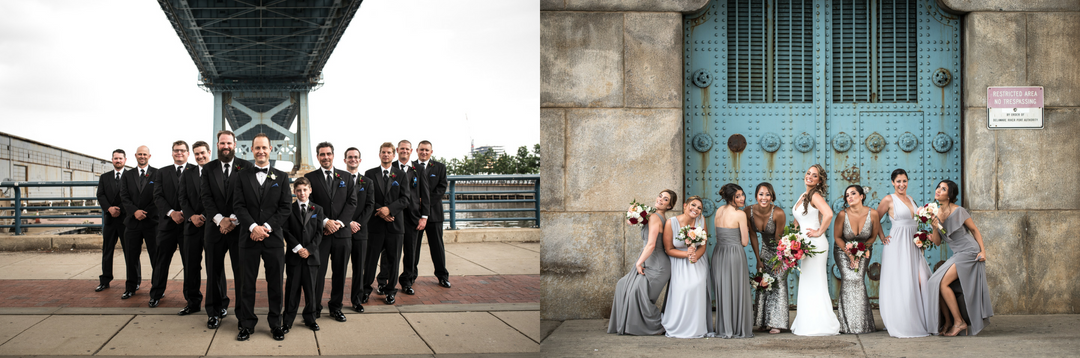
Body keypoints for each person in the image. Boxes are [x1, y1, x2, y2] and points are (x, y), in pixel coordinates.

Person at [232, 133, 291, 341]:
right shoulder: (241, 176)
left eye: (264, 148)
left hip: (273, 239)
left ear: (270, 150)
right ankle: (247, 324)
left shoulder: (282, 177)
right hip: (248, 239)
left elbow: (285, 209)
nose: (261, 151)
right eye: (257, 148)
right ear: (252, 151)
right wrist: (252, 227)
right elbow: (238, 206)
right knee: (246, 284)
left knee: (275, 283)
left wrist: (265, 227)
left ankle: (276, 323)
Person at [923, 180, 993, 336]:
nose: (938, 190)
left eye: (943, 189)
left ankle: (959, 322)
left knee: (943, 284)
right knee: (934, 282)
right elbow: (937, 241)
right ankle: (948, 321)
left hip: (969, 251)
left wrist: (983, 251)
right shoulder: (934, 214)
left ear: (950, 195)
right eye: (938, 187)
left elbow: (975, 231)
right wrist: (934, 227)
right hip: (957, 254)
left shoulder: (959, 211)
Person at [607, 189, 676, 335]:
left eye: (665, 199)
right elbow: (630, 222)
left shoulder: (655, 218)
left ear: (669, 206)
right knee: (623, 285)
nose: (660, 200)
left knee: (641, 296)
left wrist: (638, 263)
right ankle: (629, 324)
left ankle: (664, 325)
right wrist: (634, 216)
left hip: (657, 266)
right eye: (660, 196)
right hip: (650, 262)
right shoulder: (654, 216)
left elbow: (651, 245)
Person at [304, 142, 357, 323]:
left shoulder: (346, 177)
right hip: (321, 235)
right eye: (321, 154)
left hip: (342, 234)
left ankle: (336, 307)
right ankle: (315, 307)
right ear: (317, 157)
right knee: (318, 273)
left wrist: (340, 223)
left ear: (333, 155)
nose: (325, 157)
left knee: (340, 272)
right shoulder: (309, 177)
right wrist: (325, 222)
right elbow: (309, 204)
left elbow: (352, 203)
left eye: (328, 154)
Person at [874, 169, 930, 338]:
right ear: (893, 182)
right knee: (901, 282)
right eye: (898, 181)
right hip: (897, 245)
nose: (901, 184)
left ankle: (923, 319)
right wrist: (882, 237)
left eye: (904, 181)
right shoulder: (888, 199)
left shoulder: (911, 199)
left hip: (913, 244)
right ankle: (900, 320)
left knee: (922, 280)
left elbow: (916, 222)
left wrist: (921, 239)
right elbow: (874, 218)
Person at [200, 130, 247, 329]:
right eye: (222, 143)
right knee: (213, 273)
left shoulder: (246, 166)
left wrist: (233, 220)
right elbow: (206, 197)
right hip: (215, 229)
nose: (225, 146)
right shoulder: (208, 168)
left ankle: (243, 314)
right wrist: (220, 221)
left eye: (229, 143)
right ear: (217, 144)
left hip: (239, 230)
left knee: (242, 273)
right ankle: (214, 311)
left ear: (235, 144)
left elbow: (248, 197)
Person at [789, 164, 840, 336]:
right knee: (808, 282)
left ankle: (819, 323)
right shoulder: (804, 194)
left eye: (815, 175)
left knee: (814, 281)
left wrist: (819, 231)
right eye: (808, 173)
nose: (810, 176)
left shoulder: (815, 195)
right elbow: (800, 220)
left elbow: (829, 214)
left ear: (819, 180)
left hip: (814, 243)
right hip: (804, 244)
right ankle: (808, 320)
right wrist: (793, 237)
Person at [363, 142, 411, 305]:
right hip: (375, 225)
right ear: (379, 154)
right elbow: (367, 199)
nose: (386, 155)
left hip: (395, 226)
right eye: (383, 152)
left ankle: (391, 291)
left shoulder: (402, 175)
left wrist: (389, 210)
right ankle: (365, 290)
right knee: (370, 260)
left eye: (389, 152)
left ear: (394, 154)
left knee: (393, 260)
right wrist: (381, 212)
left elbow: (405, 199)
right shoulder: (370, 174)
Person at [149, 140, 195, 308]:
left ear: (188, 153)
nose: (179, 153)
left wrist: (187, 214)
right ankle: (156, 293)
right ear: (172, 153)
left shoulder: (196, 171)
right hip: (167, 225)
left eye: (182, 150)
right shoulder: (161, 173)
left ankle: (190, 297)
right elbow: (158, 196)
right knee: (161, 262)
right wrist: (171, 213)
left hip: (188, 226)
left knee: (189, 263)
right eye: (176, 150)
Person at [833, 185, 882, 334]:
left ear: (862, 196)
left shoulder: (873, 214)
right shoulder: (842, 214)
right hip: (843, 251)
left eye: (853, 193)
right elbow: (837, 237)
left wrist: (861, 251)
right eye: (847, 195)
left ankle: (863, 324)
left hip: (864, 251)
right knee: (848, 279)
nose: (850, 197)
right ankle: (845, 325)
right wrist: (850, 255)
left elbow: (873, 236)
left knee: (858, 280)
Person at [660, 196, 709, 338]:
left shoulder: (701, 221)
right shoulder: (671, 223)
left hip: (697, 259)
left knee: (697, 283)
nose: (696, 209)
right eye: (693, 205)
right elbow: (668, 249)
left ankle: (696, 327)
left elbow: (703, 246)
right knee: (684, 288)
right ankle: (678, 324)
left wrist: (695, 256)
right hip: (678, 260)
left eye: (699, 208)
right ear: (685, 206)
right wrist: (686, 255)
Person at [708, 184, 753, 338]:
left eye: (742, 195)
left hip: (719, 252)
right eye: (738, 196)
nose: (742, 199)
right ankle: (736, 328)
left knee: (723, 291)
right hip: (734, 253)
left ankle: (724, 327)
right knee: (736, 290)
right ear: (730, 197)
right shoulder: (740, 215)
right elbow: (745, 242)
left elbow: (717, 234)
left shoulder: (719, 211)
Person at [746, 182, 788, 334]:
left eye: (768, 194)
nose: (764, 198)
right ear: (756, 195)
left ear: (772, 196)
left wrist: (779, 260)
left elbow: (779, 239)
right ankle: (763, 321)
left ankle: (777, 322)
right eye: (761, 194)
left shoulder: (778, 213)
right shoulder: (748, 211)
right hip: (764, 250)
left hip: (779, 251)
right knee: (763, 284)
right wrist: (758, 259)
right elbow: (753, 236)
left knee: (778, 284)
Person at [283, 177, 324, 333]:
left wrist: (310, 249)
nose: (302, 193)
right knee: (292, 290)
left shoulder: (318, 209)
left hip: (311, 258)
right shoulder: (289, 209)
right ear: (294, 192)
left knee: (311, 290)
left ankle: (310, 319)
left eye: (304, 190)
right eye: (298, 190)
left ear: (310, 190)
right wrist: (299, 248)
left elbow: (319, 233)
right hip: (294, 256)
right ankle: (287, 321)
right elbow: (286, 231)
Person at [176, 141, 212, 316]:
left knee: (214, 267)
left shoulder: (216, 171)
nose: (200, 156)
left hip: (211, 226)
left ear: (209, 152)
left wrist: (204, 215)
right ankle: (192, 302)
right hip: (191, 227)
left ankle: (219, 303)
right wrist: (191, 216)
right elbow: (182, 198)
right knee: (190, 266)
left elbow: (219, 199)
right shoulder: (187, 173)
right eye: (196, 154)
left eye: (202, 153)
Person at [119, 145, 157, 300]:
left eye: (145, 154)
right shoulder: (127, 175)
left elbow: (159, 196)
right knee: (131, 256)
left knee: (156, 257)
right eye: (140, 154)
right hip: (132, 222)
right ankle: (131, 286)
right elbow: (124, 196)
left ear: (149, 156)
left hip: (152, 222)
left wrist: (145, 213)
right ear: (135, 156)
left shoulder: (157, 173)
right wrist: (134, 211)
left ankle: (157, 289)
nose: (142, 156)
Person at [411, 140, 451, 289]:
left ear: (431, 152)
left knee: (437, 247)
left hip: (434, 214)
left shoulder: (440, 168)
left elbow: (441, 189)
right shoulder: (411, 167)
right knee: (413, 248)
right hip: (415, 214)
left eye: (427, 150)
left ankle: (442, 276)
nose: (424, 152)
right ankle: (411, 276)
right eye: (421, 150)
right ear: (417, 150)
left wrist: (424, 203)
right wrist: (417, 203)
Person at [391, 140, 429, 296]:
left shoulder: (418, 169)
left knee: (411, 251)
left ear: (411, 151)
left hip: (413, 216)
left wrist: (424, 216)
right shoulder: (390, 166)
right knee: (391, 251)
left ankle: (407, 281)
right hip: (395, 216)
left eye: (407, 149)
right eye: (402, 149)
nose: (404, 151)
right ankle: (386, 281)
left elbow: (425, 194)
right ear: (397, 150)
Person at [344, 147, 375, 313]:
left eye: (356, 157)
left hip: (360, 232)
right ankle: (336, 301)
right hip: (342, 231)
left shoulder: (368, 182)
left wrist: (357, 224)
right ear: (345, 160)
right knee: (340, 269)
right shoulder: (338, 180)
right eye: (350, 157)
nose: (353, 159)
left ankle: (356, 300)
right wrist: (347, 223)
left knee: (358, 269)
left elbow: (370, 206)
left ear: (360, 160)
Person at [94, 149, 127, 292]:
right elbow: (100, 195)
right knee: (107, 251)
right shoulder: (104, 177)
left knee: (131, 252)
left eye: (120, 158)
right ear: (112, 160)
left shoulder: (131, 176)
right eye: (115, 158)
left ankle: (135, 281)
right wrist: (109, 209)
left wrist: (118, 208)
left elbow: (132, 196)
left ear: (125, 160)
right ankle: (105, 280)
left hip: (126, 219)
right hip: (109, 219)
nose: (118, 160)